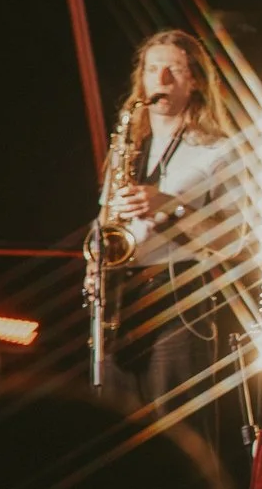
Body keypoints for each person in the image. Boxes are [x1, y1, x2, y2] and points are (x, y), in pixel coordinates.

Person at [102, 31, 243, 447]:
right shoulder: (128, 146)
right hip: (120, 297)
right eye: (151, 69)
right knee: (118, 433)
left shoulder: (218, 150)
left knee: (179, 433)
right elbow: (105, 219)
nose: (160, 77)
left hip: (178, 294)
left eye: (173, 69)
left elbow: (232, 239)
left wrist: (170, 207)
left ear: (194, 81)